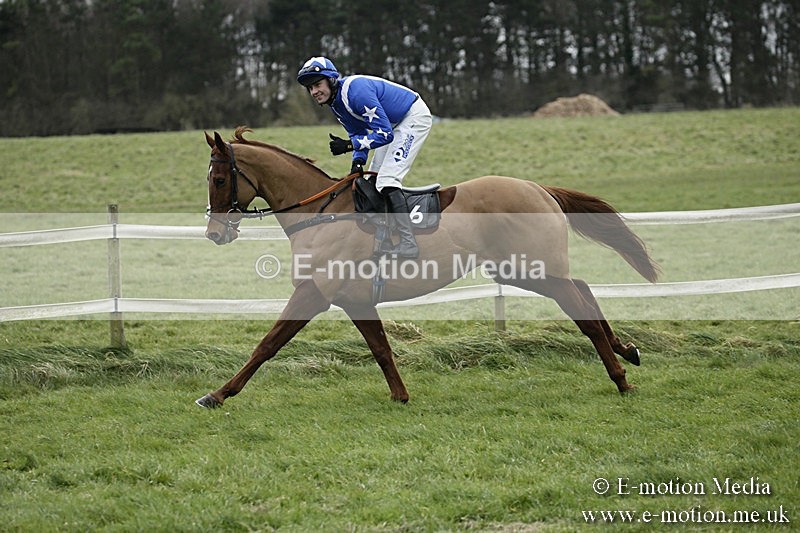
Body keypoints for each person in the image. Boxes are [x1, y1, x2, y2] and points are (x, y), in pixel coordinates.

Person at [296, 56, 432, 258]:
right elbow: (358, 134)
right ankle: (384, 236)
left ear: (332, 80)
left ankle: (409, 243)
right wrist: (357, 162)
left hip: (412, 117)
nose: (314, 92)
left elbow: (384, 134)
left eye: (317, 84)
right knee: (371, 180)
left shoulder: (355, 92)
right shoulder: (337, 104)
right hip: (395, 125)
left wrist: (350, 146)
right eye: (310, 88)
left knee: (387, 180)